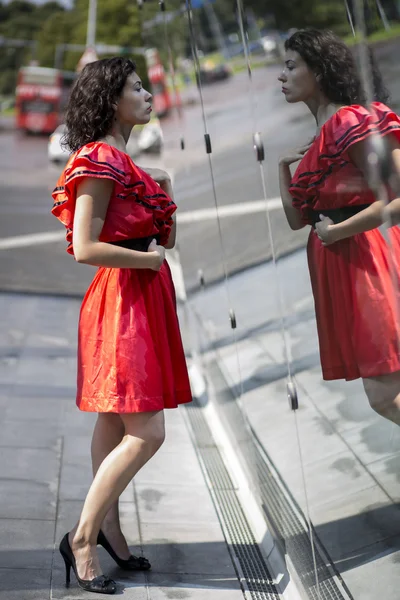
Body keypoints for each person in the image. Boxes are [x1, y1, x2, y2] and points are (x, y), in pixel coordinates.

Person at [51, 57, 192, 594]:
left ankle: (107, 529)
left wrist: (164, 187)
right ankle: (81, 537)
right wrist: (148, 262)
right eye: (136, 86)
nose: (147, 92)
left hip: (142, 294)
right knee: (147, 430)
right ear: (112, 99)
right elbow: (85, 248)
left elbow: (167, 239)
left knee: (113, 421)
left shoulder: (128, 162)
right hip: (123, 298)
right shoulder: (98, 159)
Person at [278, 29, 400, 426]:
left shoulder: (349, 120)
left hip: (370, 258)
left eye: (291, 65)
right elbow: (299, 220)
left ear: (319, 70)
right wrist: (283, 169)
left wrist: (340, 233)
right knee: (386, 388)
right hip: (349, 267)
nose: (282, 76)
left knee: (384, 392)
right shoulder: (320, 137)